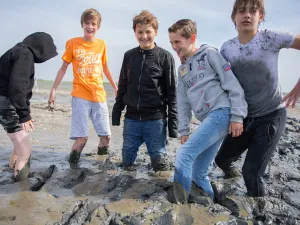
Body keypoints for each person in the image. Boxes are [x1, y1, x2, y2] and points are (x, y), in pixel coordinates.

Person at [215, 0, 300, 197]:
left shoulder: (271, 37)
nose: (247, 15)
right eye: (242, 11)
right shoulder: (227, 48)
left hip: (272, 114)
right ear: (233, 17)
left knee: (251, 173)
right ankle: (232, 177)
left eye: (253, 11)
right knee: (221, 161)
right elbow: (222, 82)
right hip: (244, 117)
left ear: (260, 16)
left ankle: (258, 209)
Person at [168, 19, 247, 203]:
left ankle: (180, 203)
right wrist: (183, 130)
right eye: (171, 42)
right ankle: (209, 203)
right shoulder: (182, 70)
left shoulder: (210, 54)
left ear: (192, 38)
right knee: (198, 170)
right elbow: (183, 102)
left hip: (222, 112)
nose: (174, 46)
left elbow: (232, 84)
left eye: (177, 42)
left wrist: (238, 116)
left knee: (184, 155)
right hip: (209, 120)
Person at [48, 8, 118, 166]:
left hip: (99, 96)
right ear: (82, 24)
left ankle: (101, 167)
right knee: (82, 139)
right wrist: (53, 90)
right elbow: (63, 68)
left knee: (106, 137)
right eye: (87, 23)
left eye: (94, 24)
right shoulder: (73, 43)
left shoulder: (101, 44)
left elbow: (106, 68)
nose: (90, 26)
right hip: (80, 96)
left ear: (98, 27)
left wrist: (115, 87)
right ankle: (71, 167)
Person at [112, 10, 178, 171]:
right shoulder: (129, 56)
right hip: (132, 119)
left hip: (155, 120)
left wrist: (173, 125)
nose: (144, 36)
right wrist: (116, 112)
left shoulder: (165, 57)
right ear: (134, 32)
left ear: (155, 32)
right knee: (126, 163)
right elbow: (123, 85)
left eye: (148, 32)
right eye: (140, 32)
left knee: (160, 165)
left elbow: (172, 92)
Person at [0, 32, 58, 181]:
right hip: (5, 103)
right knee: (25, 150)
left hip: (5, 102)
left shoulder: (17, 51)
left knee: (19, 140)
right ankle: (20, 189)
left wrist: (24, 114)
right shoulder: (25, 55)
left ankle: (13, 169)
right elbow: (17, 87)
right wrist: (24, 114)